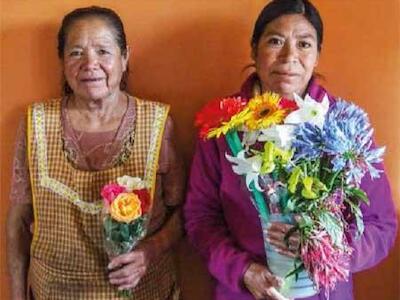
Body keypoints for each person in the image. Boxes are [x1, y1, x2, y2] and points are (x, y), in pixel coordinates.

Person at [184, 0, 397, 299]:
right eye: (275, 41)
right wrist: (244, 270)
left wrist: (328, 254)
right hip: (245, 291)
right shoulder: (223, 127)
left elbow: (381, 226)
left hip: (324, 292)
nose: (289, 57)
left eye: (304, 44)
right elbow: (200, 217)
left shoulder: (345, 126)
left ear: (317, 55)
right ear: (254, 49)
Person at [6, 6, 184, 300]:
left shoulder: (157, 124)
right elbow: (18, 221)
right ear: (62, 61)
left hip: (144, 291)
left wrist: (148, 252)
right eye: (76, 52)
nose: (90, 63)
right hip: (54, 291)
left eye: (103, 51)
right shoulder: (35, 123)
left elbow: (183, 212)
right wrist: (15, 294)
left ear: (125, 57)